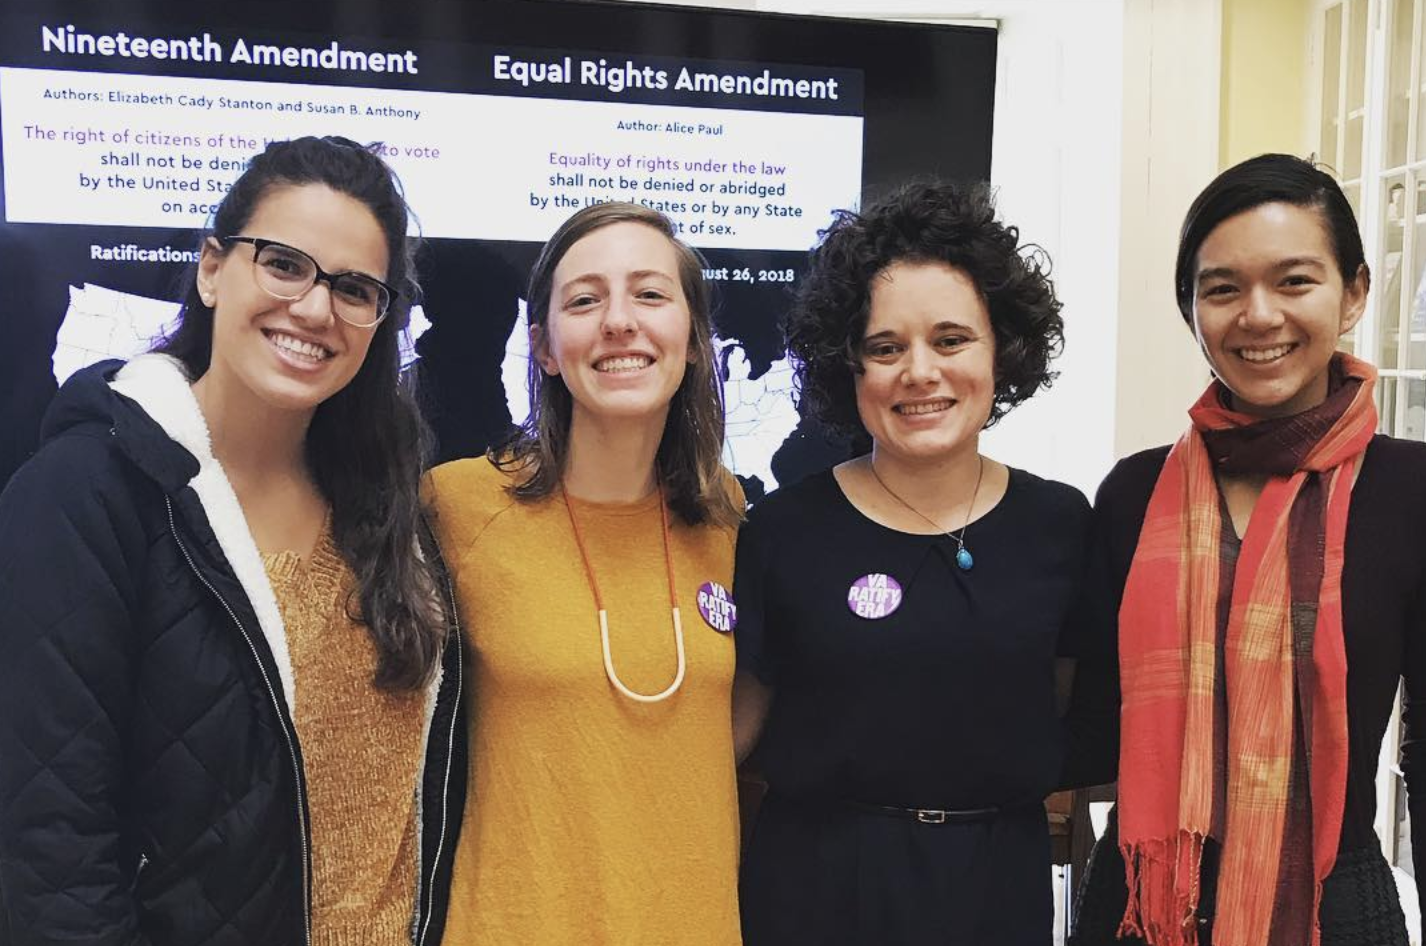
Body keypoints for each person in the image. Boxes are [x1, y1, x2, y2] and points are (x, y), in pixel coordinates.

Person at [0, 136, 465, 946]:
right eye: (284, 263)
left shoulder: (394, 509)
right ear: (213, 269)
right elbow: (52, 843)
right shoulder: (83, 494)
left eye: (354, 288)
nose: (316, 309)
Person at [1064, 154, 1423, 946]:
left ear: (1355, 293)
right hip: (1142, 904)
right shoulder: (1133, 495)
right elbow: (1085, 727)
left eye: (1295, 281)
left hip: (1336, 906)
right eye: (1222, 289)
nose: (1258, 316)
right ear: (1191, 308)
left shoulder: (1408, 492)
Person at [731, 181, 1089, 946]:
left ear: (1003, 350)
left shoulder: (1061, 525)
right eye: (884, 348)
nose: (919, 372)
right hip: (814, 886)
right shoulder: (780, 530)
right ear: (846, 367)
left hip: (1000, 883)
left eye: (951, 340)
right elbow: (732, 737)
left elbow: (1064, 706)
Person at [426, 202, 744, 945]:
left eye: (651, 294)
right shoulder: (456, 506)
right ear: (541, 347)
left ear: (695, 339)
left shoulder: (729, 517)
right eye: (584, 299)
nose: (619, 321)